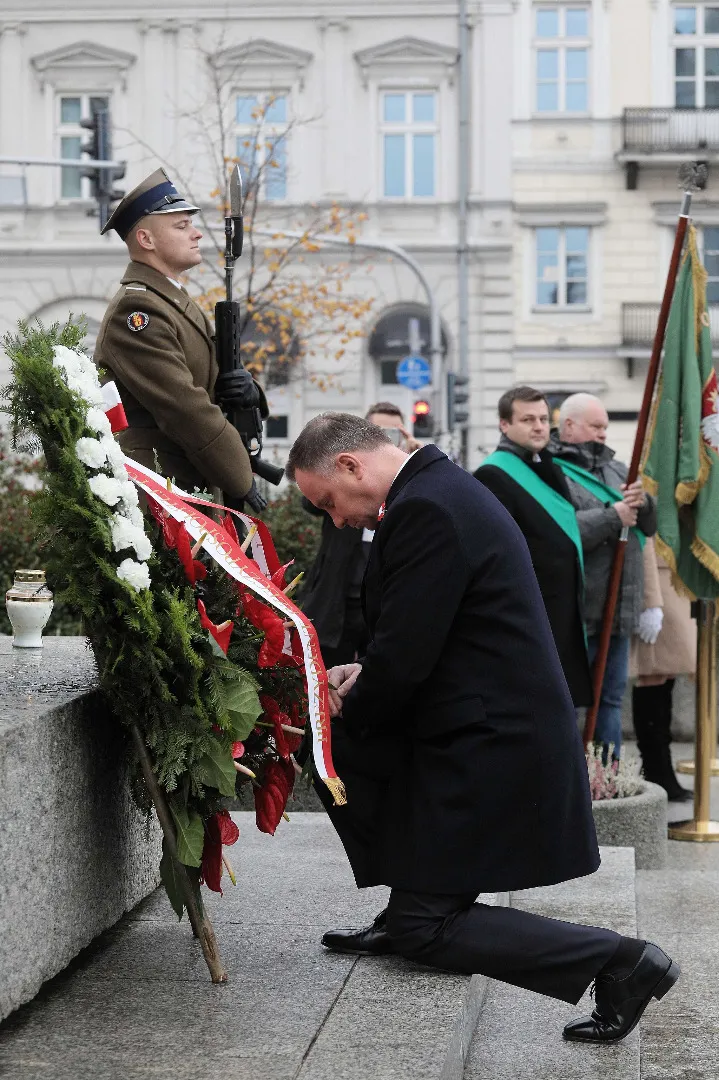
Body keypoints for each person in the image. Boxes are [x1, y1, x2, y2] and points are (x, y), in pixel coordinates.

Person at [286, 412, 679, 1044]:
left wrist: (341, 707)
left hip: (491, 741)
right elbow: (426, 634)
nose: (335, 520)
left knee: (424, 925)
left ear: (351, 465)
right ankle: (410, 895)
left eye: (327, 502)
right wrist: (365, 672)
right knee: (361, 776)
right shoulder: (434, 491)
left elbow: (409, 655)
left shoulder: (425, 508)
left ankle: (619, 961)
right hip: (482, 725)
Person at [94, 168, 265, 504]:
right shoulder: (138, 311)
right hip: (157, 490)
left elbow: (212, 377)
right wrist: (240, 477)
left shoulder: (172, 301)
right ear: (146, 240)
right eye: (182, 225)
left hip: (185, 483)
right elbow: (183, 406)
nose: (197, 234)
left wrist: (249, 390)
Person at [551, 393, 657, 757]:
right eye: (595, 426)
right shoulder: (551, 471)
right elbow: (560, 531)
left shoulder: (616, 469)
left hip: (618, 609)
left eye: (605, 428)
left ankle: (608, 779)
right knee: (572, 703)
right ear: (568, 426)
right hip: (578, 611)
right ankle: (574, 782)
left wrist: (644, 503)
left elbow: (650, 527)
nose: (602, 434)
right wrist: (613, 516)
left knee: (610, 701)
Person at [474, 386, 591, 706]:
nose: (539, 426)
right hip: (532, 612)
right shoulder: (492, 474)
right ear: (504, 425)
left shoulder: (548, 467)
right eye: (527, 419)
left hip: (562, 607)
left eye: (543, 418)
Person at [301, 403, 420, 667]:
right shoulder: (344, 478)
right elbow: (310, 503)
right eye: (380, 431)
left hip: (384, 596)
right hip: (340, 592)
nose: (341, 519)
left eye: (394, 434)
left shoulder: (413, 487)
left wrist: (412, 461)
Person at [631, 539, 695, 802]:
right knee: (653, 675)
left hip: (674, 573)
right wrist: (650, 600)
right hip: (656, 577)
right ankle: (655, 767)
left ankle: (659, 768)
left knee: (665, 677)